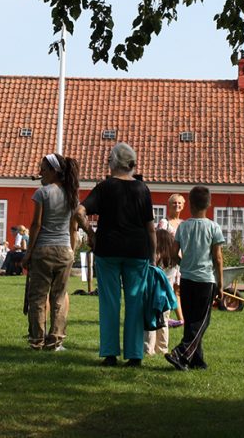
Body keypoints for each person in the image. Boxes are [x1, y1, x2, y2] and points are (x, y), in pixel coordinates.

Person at [76, 142, 156, 367]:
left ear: (113, 162)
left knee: (109, 302)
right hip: (137, 250)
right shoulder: (142, 189)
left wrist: (91, 235)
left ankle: (110, 353)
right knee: (135, 301)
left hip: (108, 249)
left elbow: (79, 212)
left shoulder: (104, 187)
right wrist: (154, 256)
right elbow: (150, 228)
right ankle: (134, 355)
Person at [22, 153, 80, 351]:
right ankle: (55, 340)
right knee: (59, 296)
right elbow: (73, 229)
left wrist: (28, 253)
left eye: (43, 169)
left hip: (43, 250)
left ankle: (36, 340)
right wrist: (71, 251)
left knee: (38, 297)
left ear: (54, 172)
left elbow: (36, 224)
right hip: (65, 250)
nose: (40, 173)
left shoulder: (42, 193)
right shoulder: (72, 195)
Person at [166, 186, 225, 371]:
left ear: (189, 204)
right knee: (202, 321)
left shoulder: (183, 226)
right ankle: (180, 353)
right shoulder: (213, 227)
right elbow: (218, 258)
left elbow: (173, 252)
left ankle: (197, 360)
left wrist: (183, 263)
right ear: (209, 204)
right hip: (205, 279)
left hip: (187, 279)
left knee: (191, 320)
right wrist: (221, 284)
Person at [144, 229, 181, 355]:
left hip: (153, 296)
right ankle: (162, 348)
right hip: (166, 298)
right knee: (164, 322)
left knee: (150, 322)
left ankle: (148, 349)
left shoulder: (156, 260)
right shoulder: (173, 260)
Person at [156, 193, 186, 327]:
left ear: (183, 206)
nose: (177, 205)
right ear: (169, 205)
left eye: (179, 203)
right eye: (174, 202)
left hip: (180, 261)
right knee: (166, 288)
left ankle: (181, 319)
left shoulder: (184, 224)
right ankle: (163, 315)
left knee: (177, 289)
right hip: (168, 262)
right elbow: (159, 242)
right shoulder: (164, 222)